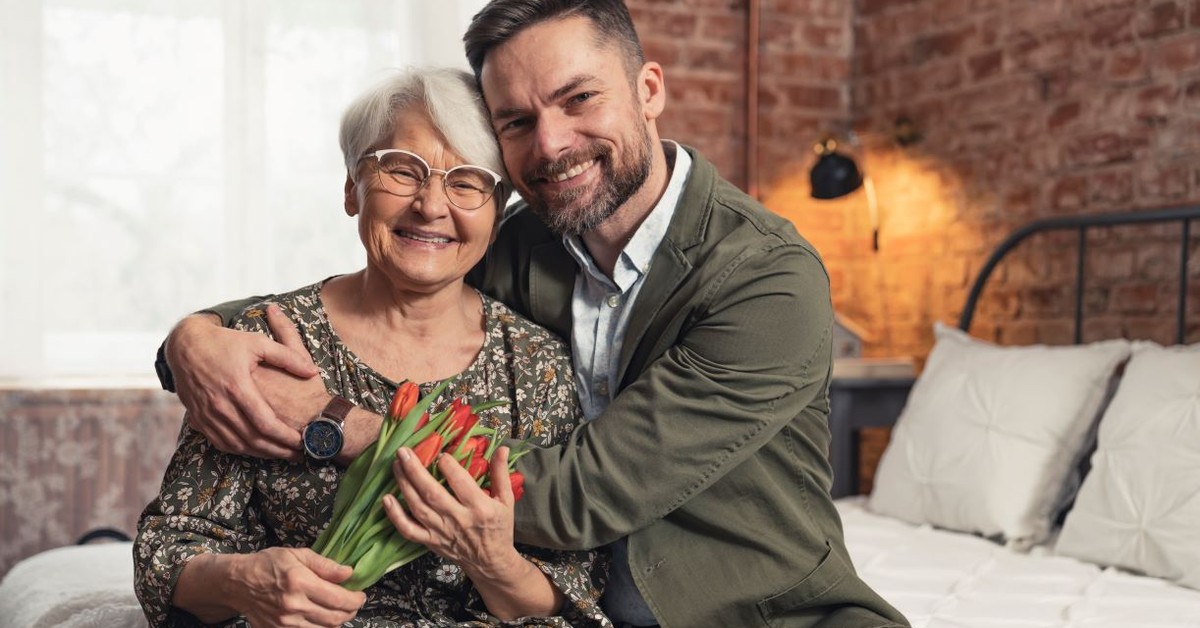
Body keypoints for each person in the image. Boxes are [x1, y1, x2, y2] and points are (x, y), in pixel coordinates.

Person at [157, 1, 910, 626]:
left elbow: (581, 491)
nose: (551, 144)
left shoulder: (767, 278)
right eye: (516, 121)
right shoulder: (525, 240)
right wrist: (197, 334)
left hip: (760, 612)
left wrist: (338, 424)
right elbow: (393, 272)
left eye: (580, 99)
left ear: (649, 90)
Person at [134, 66, 608, 628]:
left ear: (495, 209)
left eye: (466, 181)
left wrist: (495, 562)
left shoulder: (537, 364)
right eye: (402, 171)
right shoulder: (268, 342)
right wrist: (245, 582)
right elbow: (167, 555)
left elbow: (573, 590)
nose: (431, 206)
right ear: (350, 190)